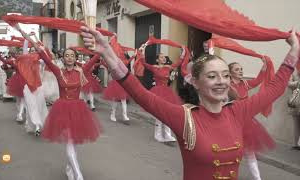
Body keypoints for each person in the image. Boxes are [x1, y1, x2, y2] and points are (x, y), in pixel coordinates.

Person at [81, 26, 299, 180]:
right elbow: (139, 93)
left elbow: (274, 87)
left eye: (225, 75)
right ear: (195, 82)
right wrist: (108, 53)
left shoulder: (238, 111)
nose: (221, 81)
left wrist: (294, 51)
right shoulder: (185, 118)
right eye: (212, 76)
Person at [17, 25, 101, 180]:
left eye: (72, 55)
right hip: (62, 111)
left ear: (76, 58)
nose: (69, 57)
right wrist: (22, 33)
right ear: (63, 58)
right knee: (69, 143)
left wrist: (103, 42)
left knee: (74, 144)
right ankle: (78, 175)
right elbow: (41, 52)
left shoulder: (82, 70)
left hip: (78, 110)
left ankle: (70, 169)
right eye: (66, 55)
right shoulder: (58, 71)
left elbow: (98, 55)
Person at [228, 59, 272, 180]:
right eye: (237, 69)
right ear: (230, 73)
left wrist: (264, 67)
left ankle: (257, 178)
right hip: (230, 121)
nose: (240, 71)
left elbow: (258, 81)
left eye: (241, 69)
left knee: (249, 152)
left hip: (246, 122)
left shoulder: (245, 84)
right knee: (230, 150)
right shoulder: (226, 85)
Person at [138, 45, 184, 145]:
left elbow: (178, 63)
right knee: (159, 114)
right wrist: (142, 51)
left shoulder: (168, 67)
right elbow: (144, 63)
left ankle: (167, 134)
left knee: (167, 113)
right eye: (161, 57)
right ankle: (157, 134)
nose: (164, 58)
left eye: (164, 57)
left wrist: (183, 53)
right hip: (158, 92)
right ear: (157, 60)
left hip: (167, 92)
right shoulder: (154, 68)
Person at [288, 70, 300, 150]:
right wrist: (297, 83)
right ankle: (296, 144)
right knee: (296, 124)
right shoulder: (294, 71)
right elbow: (288, 83)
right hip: (296, 101)